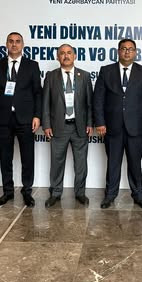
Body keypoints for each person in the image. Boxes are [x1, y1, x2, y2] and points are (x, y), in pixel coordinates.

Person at [93, 38, 142, 210]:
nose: (127, 52)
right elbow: (98, 99)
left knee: (135, 163)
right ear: (118, 51)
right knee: (113, 163)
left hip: (136, 127)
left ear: (135, 52)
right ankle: (110, 195)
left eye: (130, 49)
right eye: (123, 49)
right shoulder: (106, 71)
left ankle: (138, 195)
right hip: (112, 127)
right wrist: (100, 122)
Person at [0, 32, 42, 208]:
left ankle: (27, 191)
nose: (14, 44)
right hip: (3, 119)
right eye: (11, 41)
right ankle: (7, 192)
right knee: (5, 158)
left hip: (26, 119)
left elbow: (38, 93)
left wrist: (37, 116)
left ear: (22, 45)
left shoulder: (32, 65)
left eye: (18, 42)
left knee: (28, 158)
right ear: (6, 44)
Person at [42, 44, 93, 207]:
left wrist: (90, 123)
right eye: (62, 53)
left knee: (81, 163)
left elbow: (90, 103)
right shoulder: (51, 76)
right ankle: (55, 193)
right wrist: (46, 125)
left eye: (69, 53)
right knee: (56, 162)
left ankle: (80, 193)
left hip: (80, 127)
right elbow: (45, 103)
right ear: (57, 57)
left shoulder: (84, 76)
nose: (66, 56)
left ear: (75, 56)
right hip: (59, 127)